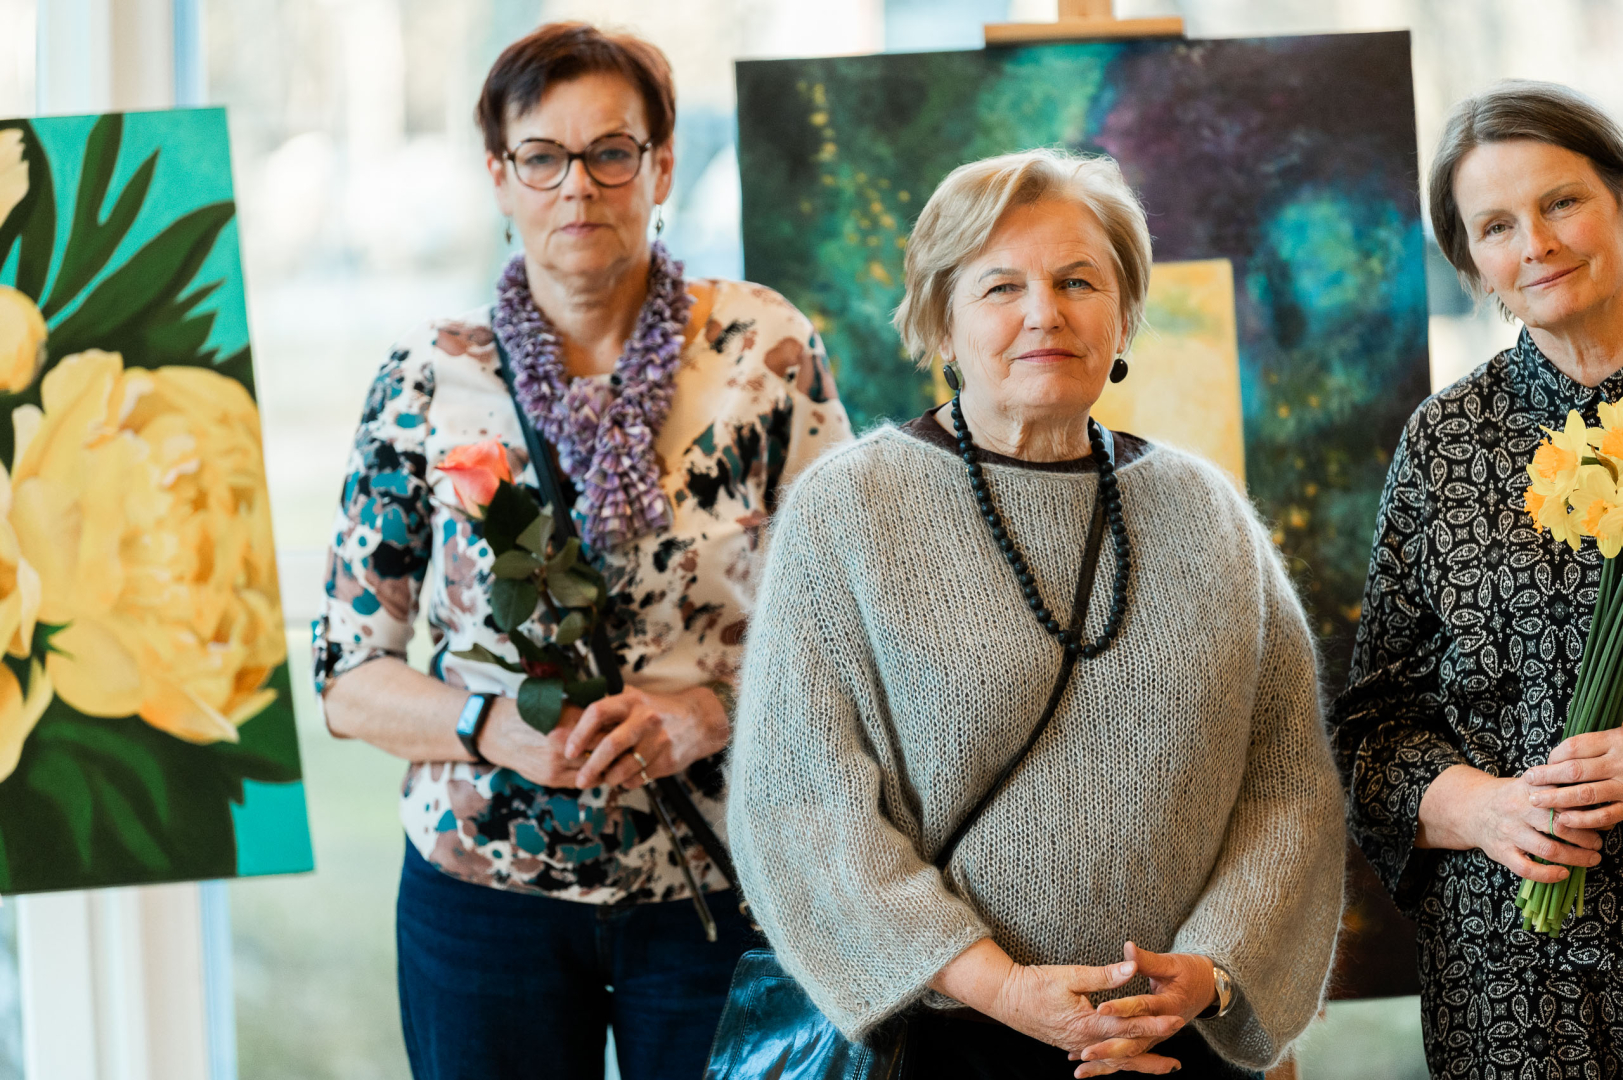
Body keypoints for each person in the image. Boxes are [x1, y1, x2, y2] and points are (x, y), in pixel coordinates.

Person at [726, 147, 1343, 1079]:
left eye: (1076, 281)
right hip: (945, 1039)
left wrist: (1209, 973)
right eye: (1000, 286)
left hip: (1175, 1044)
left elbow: (1287, 781)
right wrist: (1003, 987)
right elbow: (801, 801)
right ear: (941, 319)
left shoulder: (1208, 512)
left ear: (1123, 314)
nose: (1044, 312)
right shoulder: (848, 510)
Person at [311, 21, 851, 1080]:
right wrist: (488, 727)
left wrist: (707, 713)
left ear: (661, 166)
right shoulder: (426, 381)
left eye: (610, 153)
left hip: (725, 883)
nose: (577, 188)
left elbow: (853, 626)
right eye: (541, 157)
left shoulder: (765, 352)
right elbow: (346, 675)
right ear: (498, 176)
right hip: (483, 897)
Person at [1329, 80, 1623, 1075]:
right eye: (1495, 226)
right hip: (1507, 981)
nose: (1535, 244)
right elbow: (1375, 733)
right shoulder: (1444, 440)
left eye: (1562, 202)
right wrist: (1489, 811)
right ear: (1470, 262)